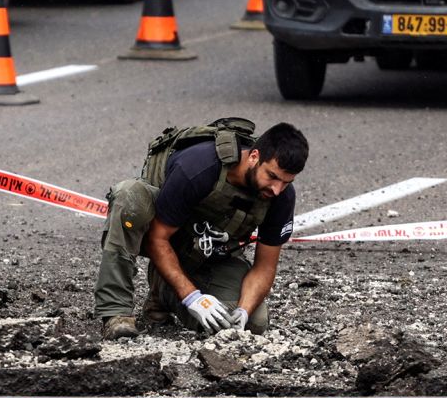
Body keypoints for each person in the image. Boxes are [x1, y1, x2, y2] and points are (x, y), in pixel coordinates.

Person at [94, 118, 308, 340]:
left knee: (255, 323)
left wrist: (243, 311)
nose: (276, 189)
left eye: (286, 182)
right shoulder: (199, 166)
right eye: (272, 176)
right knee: (130, 198)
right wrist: (192, 298)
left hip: (207, 251)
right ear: (254, 157)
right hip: (158, 233)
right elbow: (157, 238)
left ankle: (164, 293)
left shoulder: (281, 197)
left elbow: (265, 267)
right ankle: (115, 312)